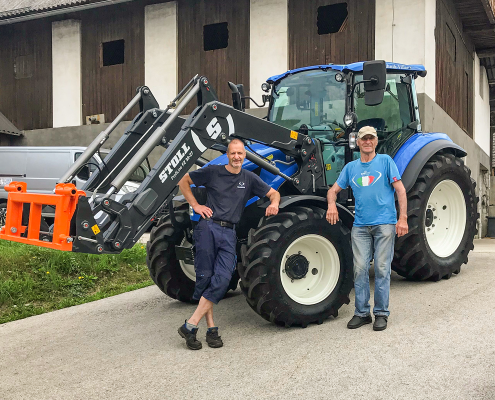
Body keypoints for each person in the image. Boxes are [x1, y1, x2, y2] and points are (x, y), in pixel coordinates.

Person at [177, 138, 280, 349]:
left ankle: (190, 324)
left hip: (229, 232)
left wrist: (275, 204)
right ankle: (211, 329)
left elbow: (273, 192)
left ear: (244, 155)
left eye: (240, 153)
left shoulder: (249, 178)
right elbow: (183, 182)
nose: (236, 157)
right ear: (228, 154)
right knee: (207, 277)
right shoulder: (213, 172)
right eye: (233, 153)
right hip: (208, 228)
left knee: (223, 279)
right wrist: (196, 205)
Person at [326, 126, 408, 331]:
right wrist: (331, 205)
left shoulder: (386, 162)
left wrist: (403, 218)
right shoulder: (350, 168)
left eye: (371, 138)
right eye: (364, 139)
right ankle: (362, 313)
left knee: (381, 268)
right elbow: (333, 191)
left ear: (376, 141)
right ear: (358, 142)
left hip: (385, 224)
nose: (367, 142)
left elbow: (400, 190)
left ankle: (381, 313)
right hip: (360, 226)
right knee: (360, 268)